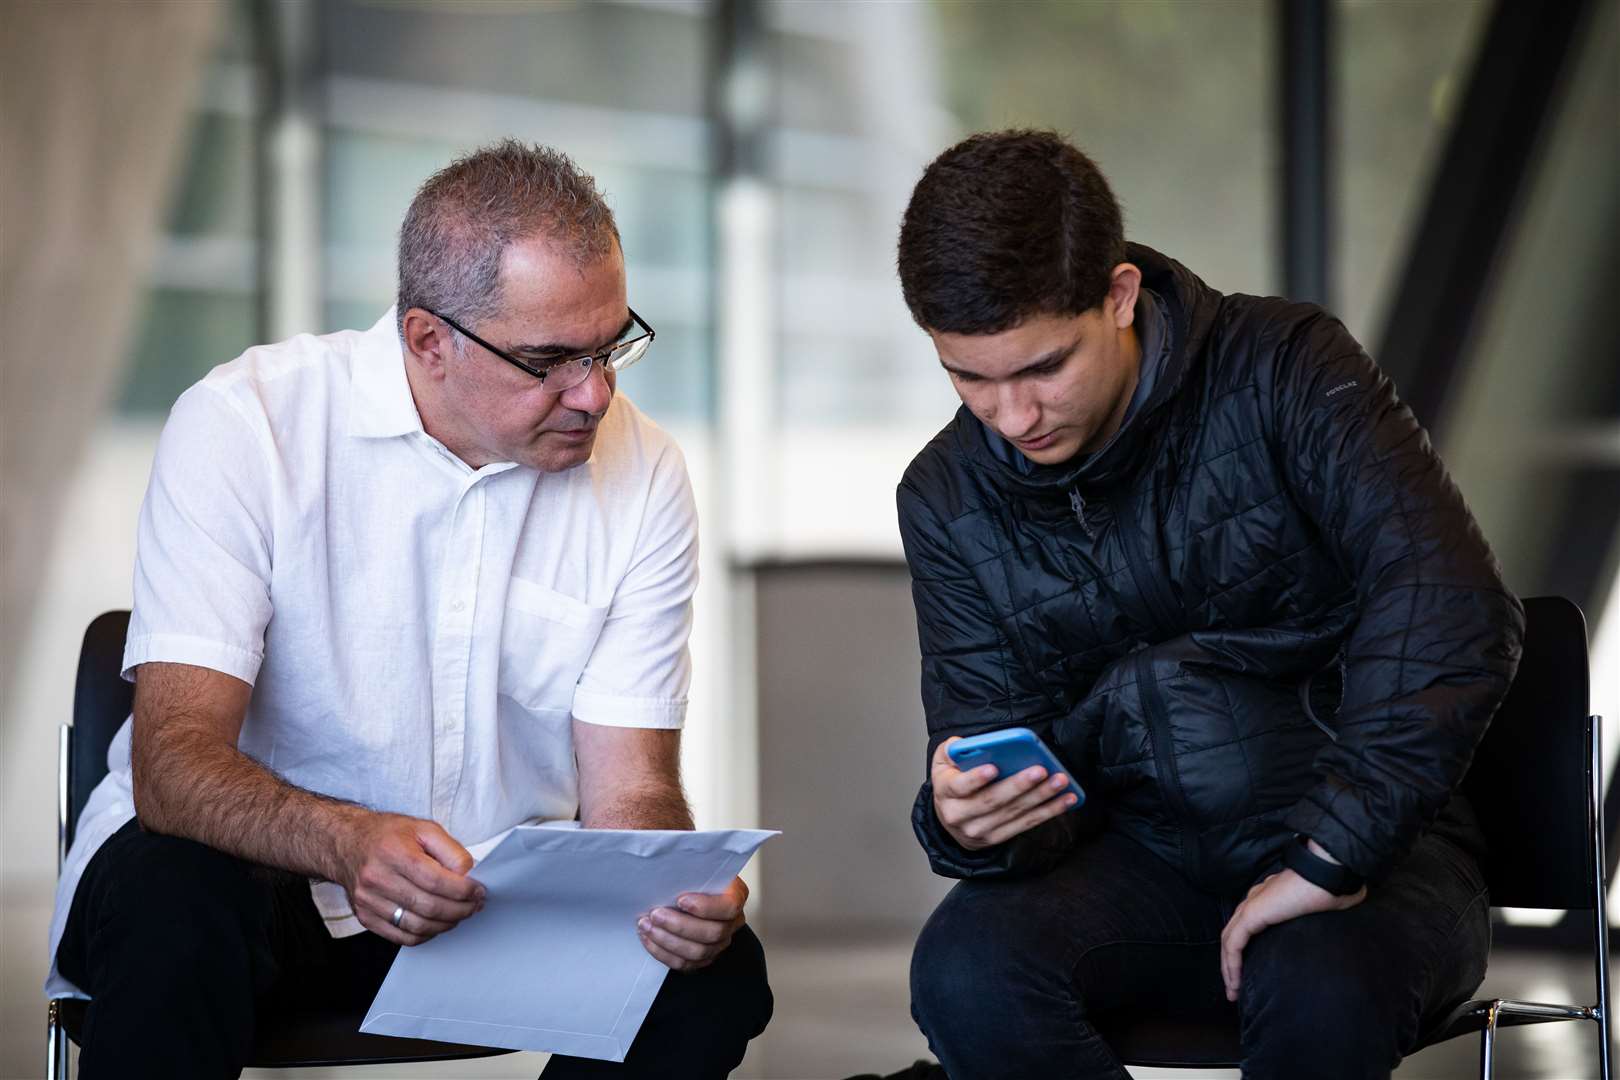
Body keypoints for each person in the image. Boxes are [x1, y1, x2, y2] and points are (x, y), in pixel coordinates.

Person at [45, 139, 771, 1078]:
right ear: (428, 340)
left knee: (712, 971)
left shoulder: (646, 470)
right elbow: (174, 769)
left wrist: (673, 882)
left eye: (610, 344)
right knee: (174, 899)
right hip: (254, 889)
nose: (594, 394)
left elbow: (629, 788)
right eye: (550, 360)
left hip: (482, 900)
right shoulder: (246, 426)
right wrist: (349, 843)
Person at [894, 130, 1523, 1080]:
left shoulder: (1286, 367)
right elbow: (1000, 745)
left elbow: (1455, 606)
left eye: (1043, 368)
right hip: (1143, 865)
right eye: (968, 378)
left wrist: (1326, 860)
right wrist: (965, 821)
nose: (1013, 418)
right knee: (965, 970)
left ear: (1118, 295)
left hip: (1375, 849)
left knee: (1312, 971)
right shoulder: (945, 495)